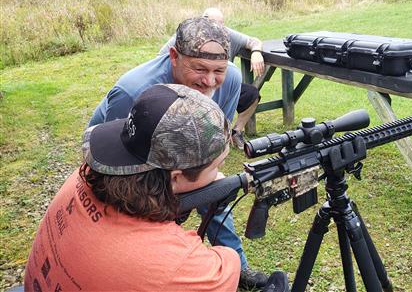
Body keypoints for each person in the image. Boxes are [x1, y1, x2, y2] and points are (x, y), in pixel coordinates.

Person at [24, 84, 288, 291]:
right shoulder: (180, 265)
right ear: (175, 178)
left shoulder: (81, 177)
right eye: (215, 167)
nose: (220, 174)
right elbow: (225, 263)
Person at [88, 17, 268, 289]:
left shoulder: (230, 79)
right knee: (140, 213)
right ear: (174, 57)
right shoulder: (133, 90)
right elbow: (117, 164)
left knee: (216, 193)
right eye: (199, 68)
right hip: (130, 158)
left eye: (218, 70)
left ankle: (239, 267)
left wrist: (204, 179)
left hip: (183, 148)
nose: (209, 81)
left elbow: (214, 139)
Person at [158, 7, 265, 149]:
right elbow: (161, 60)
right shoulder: (186, 37)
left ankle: (235, 132)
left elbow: (253, 41)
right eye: (213, 25)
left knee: (252, 94)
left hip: (221, 85)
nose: (216, 31)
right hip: (193, 88)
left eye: (221, 26)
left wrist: (256, 52)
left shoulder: (226, 34)